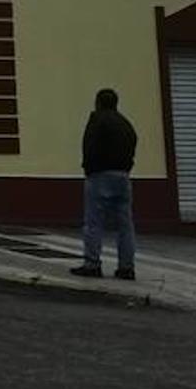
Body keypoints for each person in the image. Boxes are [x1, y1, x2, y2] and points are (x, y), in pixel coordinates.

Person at [72, 88, 139, 281]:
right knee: (125, 224)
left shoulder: (97, 120)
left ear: (98, 102)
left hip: (99, 175)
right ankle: (126, 267)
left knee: (94, 222)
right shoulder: (126, 123)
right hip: (123, 176)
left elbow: (89, 145)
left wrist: (88, 168)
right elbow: (133, 143)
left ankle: (92, 264)